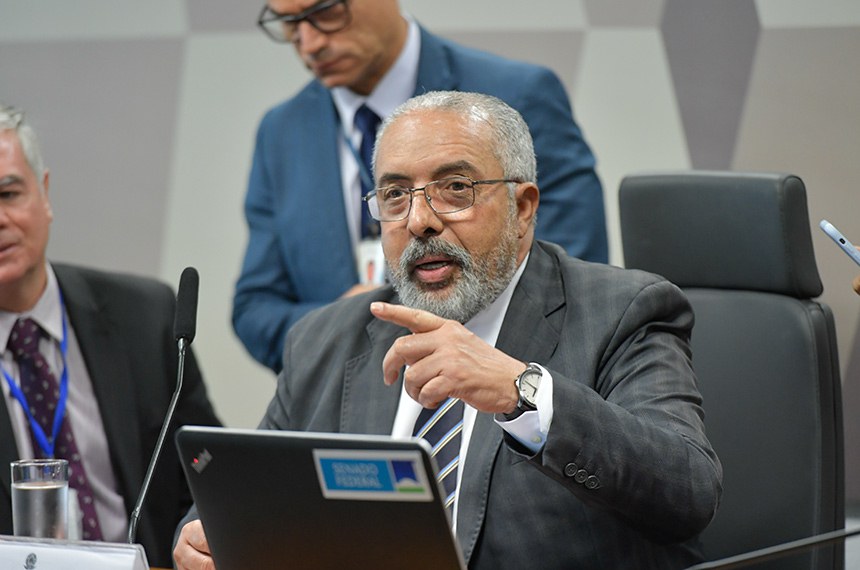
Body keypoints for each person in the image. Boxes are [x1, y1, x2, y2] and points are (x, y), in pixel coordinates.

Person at [175, 91, 722, 569]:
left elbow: (688, 491)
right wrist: (201, 541)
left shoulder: (624, 310)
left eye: (455, 188)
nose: (419, 221)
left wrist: (521, 392)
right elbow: (233, 502)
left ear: (523, 207)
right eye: (394, 195)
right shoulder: (324, 338)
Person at [233, 0, 609, 372]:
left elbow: (572, 283)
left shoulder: (518, 94)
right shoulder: (281, 131)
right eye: (289, 23)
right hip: (349, 413)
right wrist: (350, 327)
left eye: (326, 13)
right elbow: (256, 311)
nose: (309, 43)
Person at [0, 104, 221, 568]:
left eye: (8, 193)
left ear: (44, 194)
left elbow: (208, 472)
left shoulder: (145, 318)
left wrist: (195, 545)